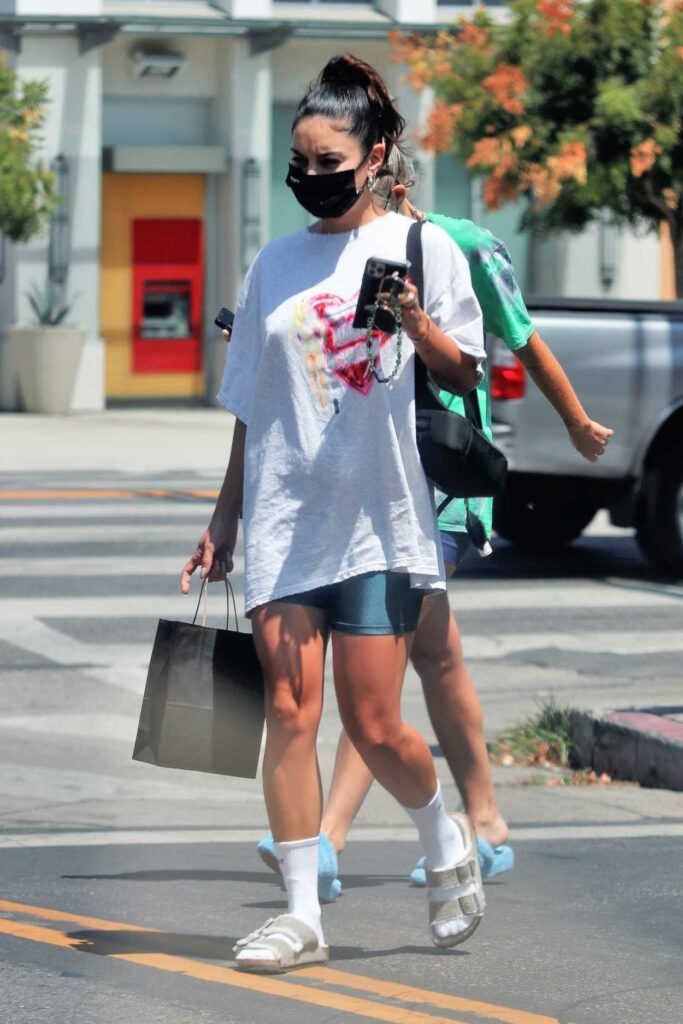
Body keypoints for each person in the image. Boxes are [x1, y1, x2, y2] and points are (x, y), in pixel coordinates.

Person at [181, 55, 488, 973]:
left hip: (379, 519)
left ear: (376, 154)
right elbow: (253, 401)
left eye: (326, 161)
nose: (309, 178)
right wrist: (223, 517)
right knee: (285, 711)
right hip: (285, 513)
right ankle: (303, 914)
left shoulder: (422, 247)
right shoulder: (275, 261)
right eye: (297, 161)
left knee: (374, 725)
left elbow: (468, 373)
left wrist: (415, 323)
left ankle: (443, 838)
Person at [256, 148, 614, 896]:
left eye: (369, 184)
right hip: (374, 485)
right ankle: (483, 819)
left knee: (378, 659)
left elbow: (521, 339)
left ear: (395, 180)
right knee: (434, 653)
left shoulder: (455, 246)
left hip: (441, 482)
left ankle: (332, 835)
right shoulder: (344, 256)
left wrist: (576, 422)